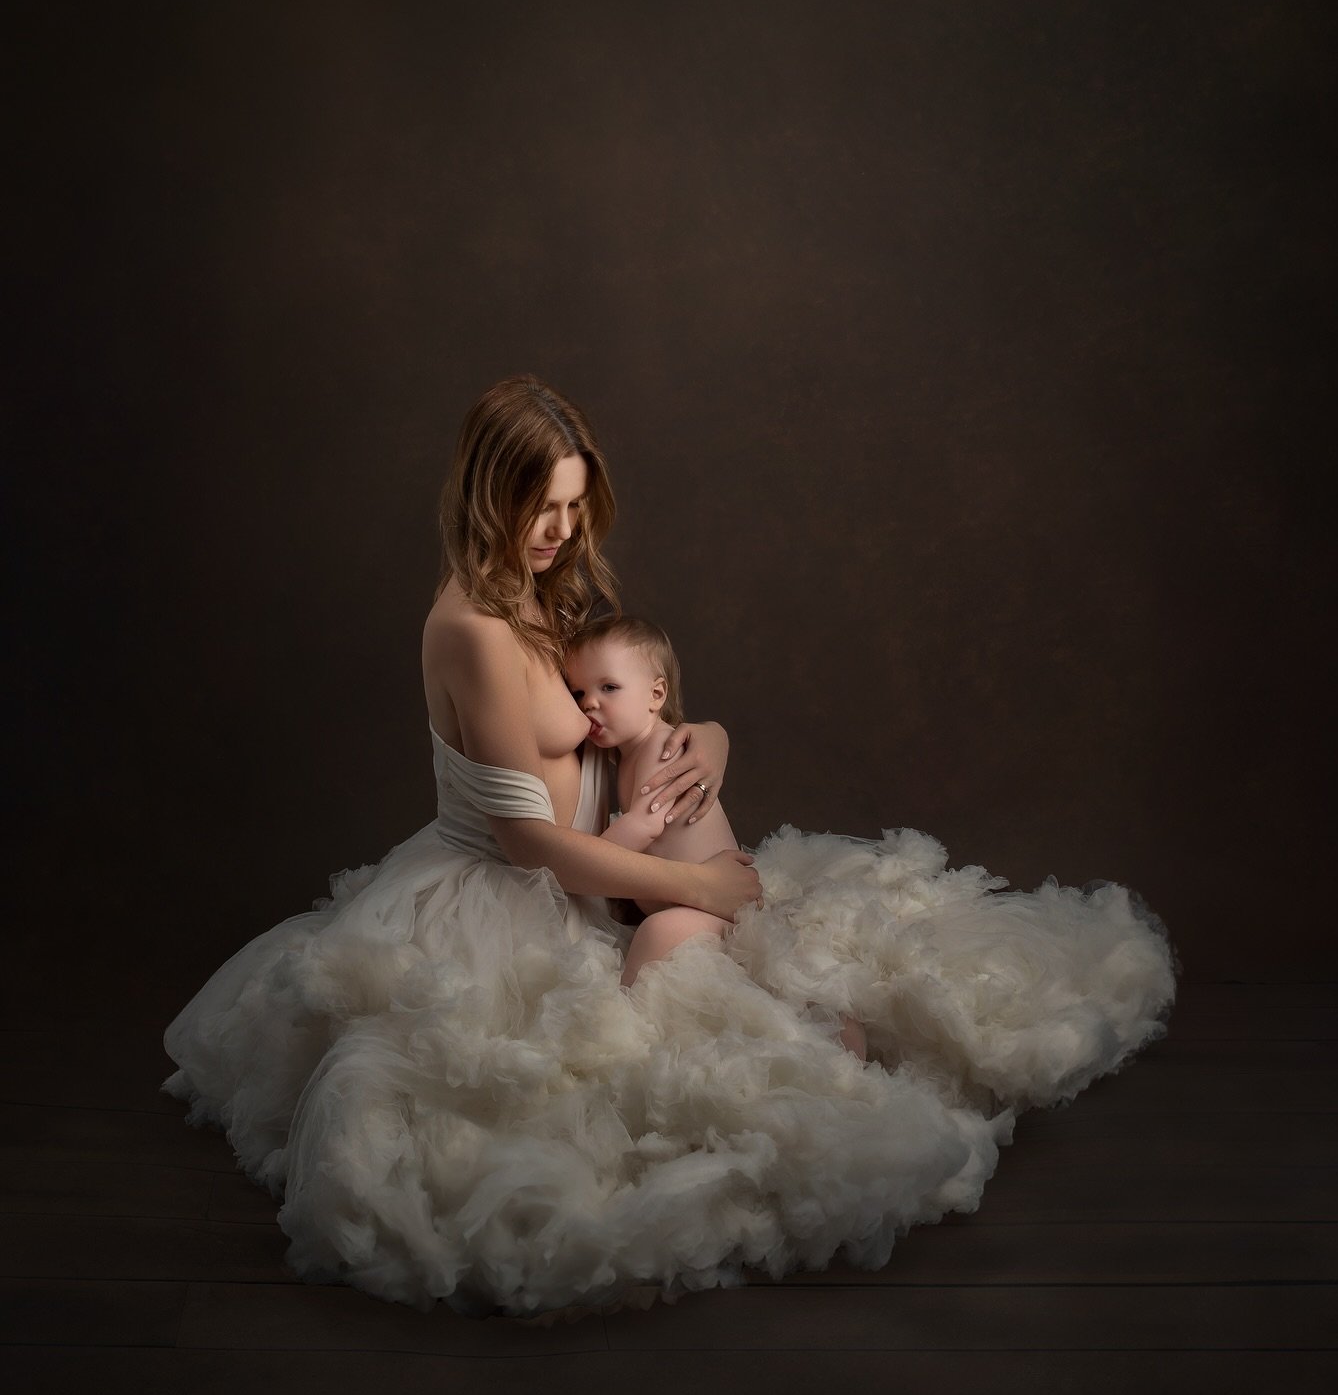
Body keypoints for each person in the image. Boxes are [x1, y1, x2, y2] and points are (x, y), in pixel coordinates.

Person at [162, 373, 1177, 1327]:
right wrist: (691, 878)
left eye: (572, 505)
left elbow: (623, 691)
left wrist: (712, 736)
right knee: (571, 1077)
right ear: (486, 494)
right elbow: (530, 838)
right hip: (520, 883)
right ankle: (776, 1029)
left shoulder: (536, 590)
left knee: (793, 939)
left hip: (609, 853)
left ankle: (788, 1003)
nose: (561, 531)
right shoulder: (470, 628)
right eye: (541, 507)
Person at [565, 613, 869, 1058]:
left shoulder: (661, 755)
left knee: (665, 934)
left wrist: (593, 855)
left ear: (655, 694)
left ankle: (619, 1041)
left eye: (608, 687)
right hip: (701, 899)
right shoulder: (627, 755)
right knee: (746, 985)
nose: (589, 702)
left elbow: (625, 845)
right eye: (578, 692)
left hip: (716, 909)